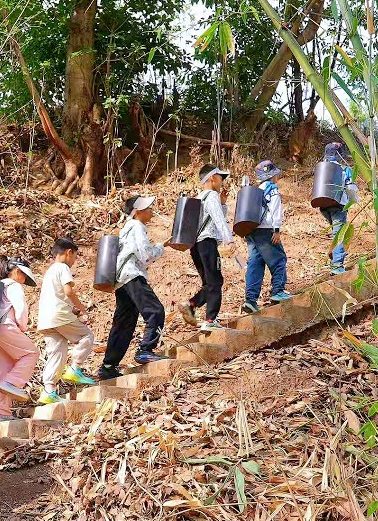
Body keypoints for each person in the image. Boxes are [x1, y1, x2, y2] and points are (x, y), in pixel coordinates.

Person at [97, 196, 169, 381]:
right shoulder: (137, 226)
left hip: (121, 280)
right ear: (138, 212)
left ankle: (108, 366)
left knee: (124, 323)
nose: (151, 210)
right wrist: (161, 248)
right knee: (155, 310)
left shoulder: (125, 230)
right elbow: (145, 254)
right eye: (148, 208)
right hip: (132, 274)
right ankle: (146, 349)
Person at [37, 237, 96, 404]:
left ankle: (48, 391)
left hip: (46, 319)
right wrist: (82, 307)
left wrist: (74, 310)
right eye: (75, 257)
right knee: (86, 337)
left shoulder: (49, 271)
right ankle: (75, 369)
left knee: (56, 353)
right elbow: (68, 291)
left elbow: (59, 296)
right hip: (60, 315)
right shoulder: (62, 267)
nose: (74, 261)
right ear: (69, 252)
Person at [177, 164, 233, 330]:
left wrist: (223, 204)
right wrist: (229, 240)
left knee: (209, 283)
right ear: (212, 178)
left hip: (195, 246)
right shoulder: (211, 195)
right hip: (207, 243)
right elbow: (218, 220)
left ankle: (191, 304)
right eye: (221, 178)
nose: (222, 182)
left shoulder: (199, 198)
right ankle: (210, 321)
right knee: (215, 282)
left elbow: (213, 216)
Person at [0, 258, 39, 421]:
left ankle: (0, 412)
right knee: (31, 354)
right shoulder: (14, 286)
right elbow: (21, 310)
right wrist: (23, 327)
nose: (23, 280)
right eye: (23, 275)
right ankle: (12, 383)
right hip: (5, 327)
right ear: (16, 271)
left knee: (1, 369)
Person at [242, 161, 290, 314]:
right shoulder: (272, 188)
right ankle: (278, 291)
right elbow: (276, 209)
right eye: (276, 173)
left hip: (252, 230)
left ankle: (250, 300)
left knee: (255, 263)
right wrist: (276, 229)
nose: (278, 175)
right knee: (279, 259)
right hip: (266, 229)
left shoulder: (256, 190)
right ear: (272, 175)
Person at [318, 143, 358, 275]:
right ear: (340, 155)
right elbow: (350, 187)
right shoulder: (344, 169)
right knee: (339, 234)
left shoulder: (321, 168)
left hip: (323, 206)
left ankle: (334, 258)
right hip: (338, 204)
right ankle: (337, 265)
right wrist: (354, 201)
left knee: (336, 232)